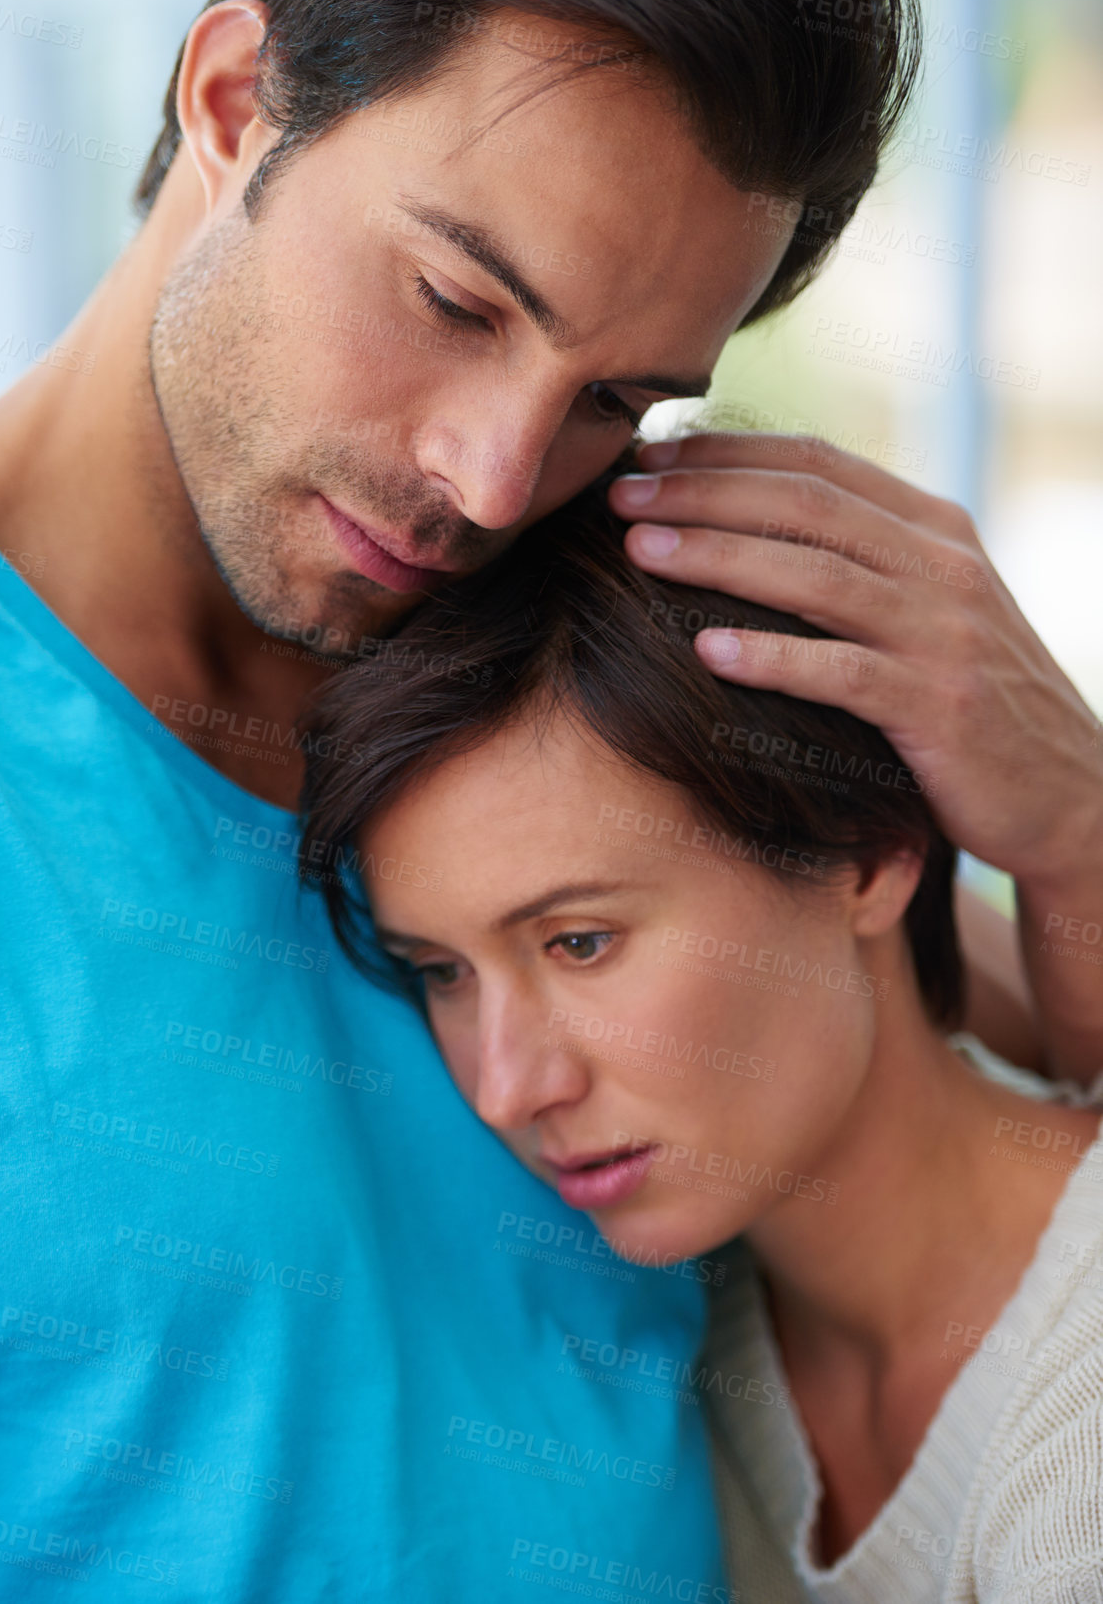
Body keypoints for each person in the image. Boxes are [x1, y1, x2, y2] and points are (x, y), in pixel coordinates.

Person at [0, 0, 1101, 1597]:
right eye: (459, 301)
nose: (494, 478)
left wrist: (1074, 828)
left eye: (619, 398)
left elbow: (1017, 1081)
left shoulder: (549, 680)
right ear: (233, 102)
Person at [302, 487, 1103, 1600]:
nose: (505, 1088)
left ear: (869, 860)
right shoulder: (687, 1344)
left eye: (580, 941)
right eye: (441, 971)